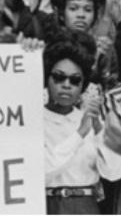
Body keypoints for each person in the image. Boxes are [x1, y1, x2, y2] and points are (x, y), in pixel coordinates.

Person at [43, 31, 121, 214]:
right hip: (48, 205)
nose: (66, 85)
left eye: (75, 80)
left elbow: (113, 172)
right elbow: (43, 171)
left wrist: (101, 133)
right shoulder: (36, 120)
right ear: (47, 79)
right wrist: (80, 134)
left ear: (83, 86)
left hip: (86, 206)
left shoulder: (89, 119)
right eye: (59, 77)